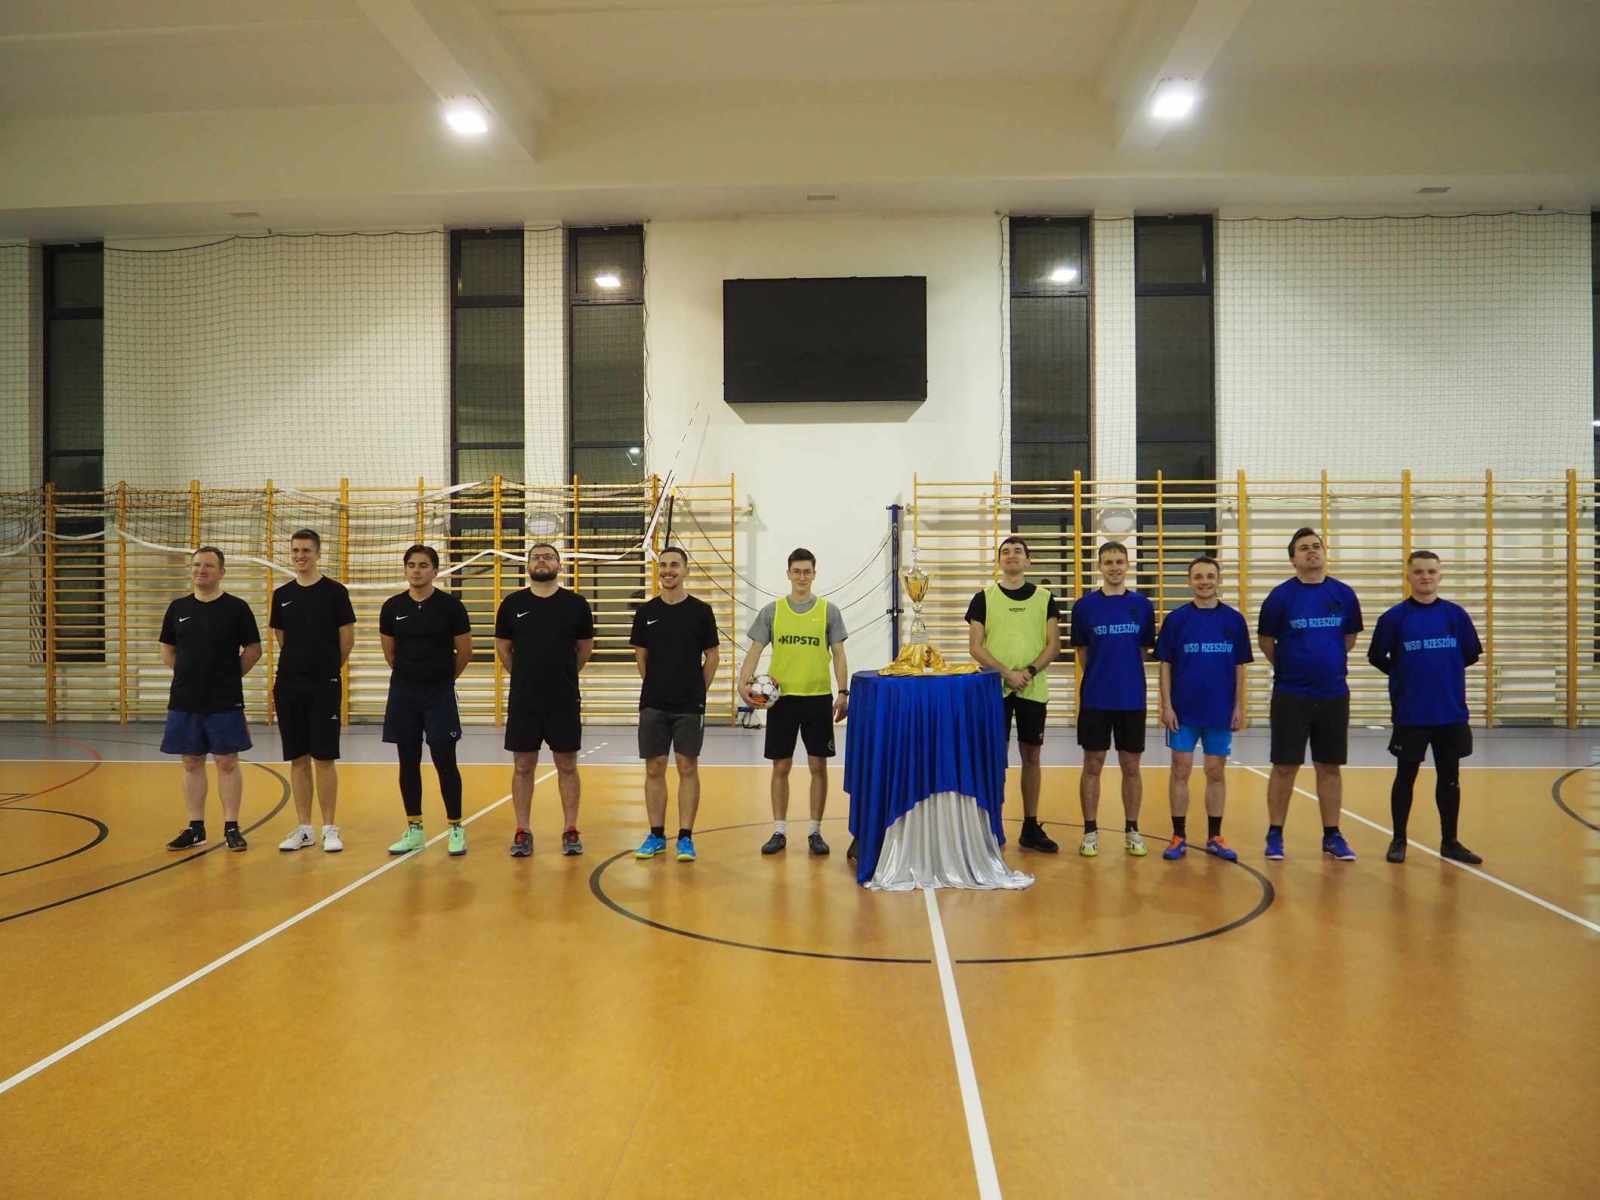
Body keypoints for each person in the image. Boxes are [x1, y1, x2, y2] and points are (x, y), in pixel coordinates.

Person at [1367, 551, 1484, 864]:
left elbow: (1471, 654)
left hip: (1450, 712)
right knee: (1405, 777)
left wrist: (1442, 672)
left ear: (1440, 575)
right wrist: (1404, 674)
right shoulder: (1393, 618)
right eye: (1419, 572)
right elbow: (1377, 656)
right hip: (1411, 713)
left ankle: (1450, 842)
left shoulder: (1456, 616)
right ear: (1408, 576)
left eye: (1431, 571)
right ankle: (1399, 840)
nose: (1425, 577)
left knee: (1450, 778)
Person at [1258, 527, 1363, 861]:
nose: (1312, 551)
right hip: (1291, 694)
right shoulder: (1280, 597)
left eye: (1316, 546)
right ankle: (1275, 833)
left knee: (1329, 766)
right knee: (1284, 766)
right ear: (1293, 559)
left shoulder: (1343, 594)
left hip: (1333, 693)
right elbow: (1266, 641)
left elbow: (1348, 639)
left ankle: (1332, 834)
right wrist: (1291, 666)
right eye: (1304, 548)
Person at [736, 547, 850, 856]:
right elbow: (755, 650)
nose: (802, 576)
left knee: (818, 765)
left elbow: (839, 654)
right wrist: (742, 683)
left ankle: (815, 831)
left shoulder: (828, 611)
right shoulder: (772, 612)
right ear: (788, 573)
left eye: (807, 571)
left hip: (817, 698)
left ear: (814, 574)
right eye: (796, 571)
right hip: (782, 701)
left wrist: (843, 692)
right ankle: (779, 830)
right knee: (781, 765)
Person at [159, 546, 262, 852]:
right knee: (191, 762)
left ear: (221, 572)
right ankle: (196, 828)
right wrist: (190, 676)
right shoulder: (177, 608)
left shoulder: (237, 608)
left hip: (224, 700)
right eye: (196, 565)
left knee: (226, 762)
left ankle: (232, 826)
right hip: (185, 699)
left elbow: (254, 650)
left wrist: (228, 677)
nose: (201, 570)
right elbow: (167, 650)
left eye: (208, 566)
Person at [494, 542, 594, 857]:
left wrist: (563, 674)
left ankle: (570, 829)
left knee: (567, 764)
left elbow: (584, 649)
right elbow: (503, 648)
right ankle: (522, 830)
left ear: (558, 564)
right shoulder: (512, 604)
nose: (542, 561)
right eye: (536, 557)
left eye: (548, 557)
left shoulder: (576, 604)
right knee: (523, 765)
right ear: (527, 565)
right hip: (525, 700)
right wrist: (524, 675)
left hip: (563, 698)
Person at [965, 535, 1061, 852]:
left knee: (1031, 756)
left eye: (1018, 551)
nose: (1012, 555)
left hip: (1032, 688)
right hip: (994, 689)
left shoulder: (1045, 598)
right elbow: (975, 646)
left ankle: (1030, 826)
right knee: (995, 756)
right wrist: (1007, 673)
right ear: (999, 561)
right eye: (1005, 551)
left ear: (1028, 560)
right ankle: (991, 826)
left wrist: (1028, 672)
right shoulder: (983, 598)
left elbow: (1053, 645)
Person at [1155, 555, 1252, 861]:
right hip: (1183, 712)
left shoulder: (1234, 620)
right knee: (1180, 769)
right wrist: (1166, 705)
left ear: (1218, 579)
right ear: (1189, 581)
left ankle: (1215, 836)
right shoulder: (1176, 620)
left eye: (1210, 576)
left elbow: (1239, 667)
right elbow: (1165, 665)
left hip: (1220, 711)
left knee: (1215, 771)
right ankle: (1178, 836)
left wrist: (1239, 706)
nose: (1204, 582)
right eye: (1198, 576)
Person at [629, 546, 720, 863]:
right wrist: (655, 684)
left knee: (687, 767)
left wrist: (697, 690)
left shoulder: (701, 611)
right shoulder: (646, 612)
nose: (668, 570)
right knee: (654, 768)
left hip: (689, 705)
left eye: (674, 565)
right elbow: (641, 656)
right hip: (653, 703)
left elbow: (712, 656)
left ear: (686, 570)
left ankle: (685, 837)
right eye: (664, 565)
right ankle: (656, 835)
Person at [380, 545, 472, 856]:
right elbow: (390, 653)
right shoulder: (392, 607)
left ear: (435, 570)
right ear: (405, 569)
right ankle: (415, 829)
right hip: (404, 694)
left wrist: (443, 679)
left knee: (445, 760)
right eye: (411, 565)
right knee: (408, 761)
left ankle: (456, 827)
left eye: (423, 565)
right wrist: (412, 678)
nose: (416, 570)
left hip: (439, 694)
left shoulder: (451, 607)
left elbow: (465, 652)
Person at [270, 528, 356, 853]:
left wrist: (326, 670)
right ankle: (304, 828)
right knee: (298, 758)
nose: (300, 556)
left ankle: (329, 828)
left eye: (306, 550)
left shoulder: (335, 592)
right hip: (289, 685)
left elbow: (346, 640)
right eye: (295, 550)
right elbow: (282, 638)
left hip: (324, 685)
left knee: (324, 757)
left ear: (318, 553)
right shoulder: (281, 595)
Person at [1070, 541, 1156, 857]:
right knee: (1092, 764)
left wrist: (1123, 674)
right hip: (1096, 697)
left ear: (1127, 564)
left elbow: (1142, 650)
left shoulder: (1142, 606)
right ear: (1100, 566)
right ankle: (1090, 831)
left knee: (1131, 766)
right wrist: (1102, 675)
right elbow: (1082, 652)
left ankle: (1132, 829)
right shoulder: (1084, 607)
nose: (1115, 567)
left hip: (1131, 699)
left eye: (1120, 561)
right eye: (1108, 562)